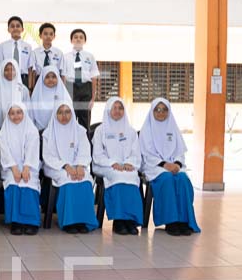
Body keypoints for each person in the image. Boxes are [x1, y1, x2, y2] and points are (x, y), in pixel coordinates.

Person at [139, 98, 200, 236]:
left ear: (169, 111)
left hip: (174, 165)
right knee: (166, 179)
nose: (161, 113)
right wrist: (165, 165)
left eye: (164, 110)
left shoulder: (173, 127)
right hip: (154, 167)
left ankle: (184, 221)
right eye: (157, 110)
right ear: (152, 111)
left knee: (183, 178)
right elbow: (147, 154)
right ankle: (171, 222)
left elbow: (180, 151)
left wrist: (177, 164)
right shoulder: (146, 130)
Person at [42, 101, 98, 234]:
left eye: (67, 112)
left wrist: (80, 165)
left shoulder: (79, 131)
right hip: (55, 167)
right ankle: (69, 222)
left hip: (77, 165)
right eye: (60, 112)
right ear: (55, 114)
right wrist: (65, 166)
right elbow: (48, 156)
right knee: (67, 179)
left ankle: (83, 221)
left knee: (85, 180)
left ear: (72, 113)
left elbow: (85, 150)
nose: (64, 116)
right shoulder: (48, 133)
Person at [92, 97, 143, 235]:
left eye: (120, 108)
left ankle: (131, 221)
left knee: (131, 177)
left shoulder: (131, 131)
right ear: (108, 109)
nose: (117, 111)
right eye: (114, 108)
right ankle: (119, 221)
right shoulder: (100, 130)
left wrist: (129, 163)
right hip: (105, 166)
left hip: (126, 166)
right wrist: (112, 163)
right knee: (118, 176)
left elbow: (136, 153)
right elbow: (97, 155)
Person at [0, 102, 41, 235]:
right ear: (8, 115)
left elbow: (32, 151)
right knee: (13, 182)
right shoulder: (5, 131)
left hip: (30, 166)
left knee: (29, 182)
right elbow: (5, 152)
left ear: (24, 113)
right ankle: (16, 222)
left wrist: (26, 168)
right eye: (12, 113)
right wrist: (14, 169)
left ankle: (31, 222)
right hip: (10, 167)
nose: (15, 116)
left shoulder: (32, 130)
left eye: (19, 112)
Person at [63, 29, 100, 130]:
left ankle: (85, 140)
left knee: (85, 120)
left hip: (85, 89)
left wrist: (93, 98)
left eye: (81, 37)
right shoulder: (65, 57)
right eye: (75, 37)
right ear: (71, 40)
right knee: (70, 118)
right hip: (70, 87)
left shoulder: (90, 56)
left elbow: (94, 77)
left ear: (84, 41)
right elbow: (64, 77)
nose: (78, 39)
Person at [0, 59, 30, 131]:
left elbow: (27, 111)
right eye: (6, 70)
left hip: (19, 128)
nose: (10, 72)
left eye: (12, 69)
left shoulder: (23, 90)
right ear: (2, 71)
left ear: (17, 71)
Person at [29, 65, 71, 131]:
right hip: (39, 131)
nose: (50, 79)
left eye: (53, 77)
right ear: (42, 78)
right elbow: (31, 116)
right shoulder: (36, 96)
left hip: (59, 130)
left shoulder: (64, 95)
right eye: (47, 77)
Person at [0, 16, 33, 89]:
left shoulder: (28, 47)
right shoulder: (3, 46)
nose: (15, 28)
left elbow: (30, 68)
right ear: (8, 30)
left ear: (22, 29)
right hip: (7, 79)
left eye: (18, 26)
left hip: (23, 79)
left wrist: (29, 88)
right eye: (12, 26)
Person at [29, 22, 64, 90]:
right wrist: (32, 89)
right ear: (40, 36)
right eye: (45, 34)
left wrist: (61, 89)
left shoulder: (59, 53)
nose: (48, 36)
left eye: (51, 34)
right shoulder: (34, 52)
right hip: (39, 81)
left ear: (54, 36)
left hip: (54, 81)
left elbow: (62, 73)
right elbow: (33, 72)